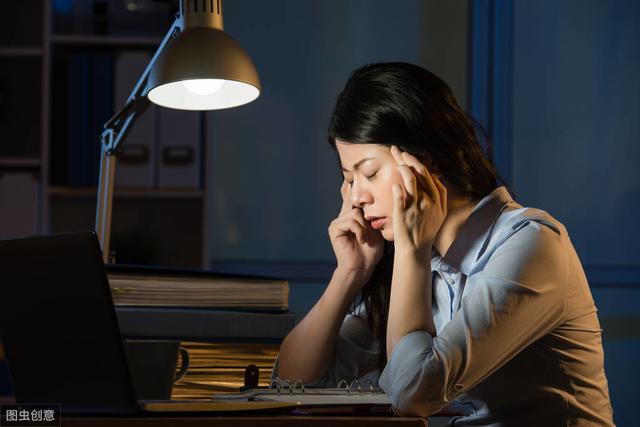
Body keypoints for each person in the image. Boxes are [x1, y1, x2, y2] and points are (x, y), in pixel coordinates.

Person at [274, 62, 614, 425]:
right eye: (348, 178)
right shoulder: (414, 262)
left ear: (424, 162)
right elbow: (289, 384)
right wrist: (349, 273)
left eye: (370, 173)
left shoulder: (531, 243)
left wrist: (412, 251)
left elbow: (413, 394)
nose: (356, 197)